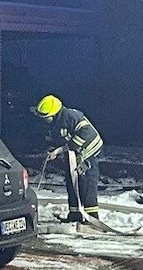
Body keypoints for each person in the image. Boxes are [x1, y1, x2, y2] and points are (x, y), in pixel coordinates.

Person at [32, 94, 104, 223]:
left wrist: (63, 149)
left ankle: (92, 218)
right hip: (73, 154)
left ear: (54, 113)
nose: (44, 120)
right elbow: (59, 140)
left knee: (87, 184)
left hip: (88, 152)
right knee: (71, 183)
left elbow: (86, 132)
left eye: (46, 117)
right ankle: (75, 215)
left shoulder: (70, 116)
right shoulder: (55, 123)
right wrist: (53, 150)